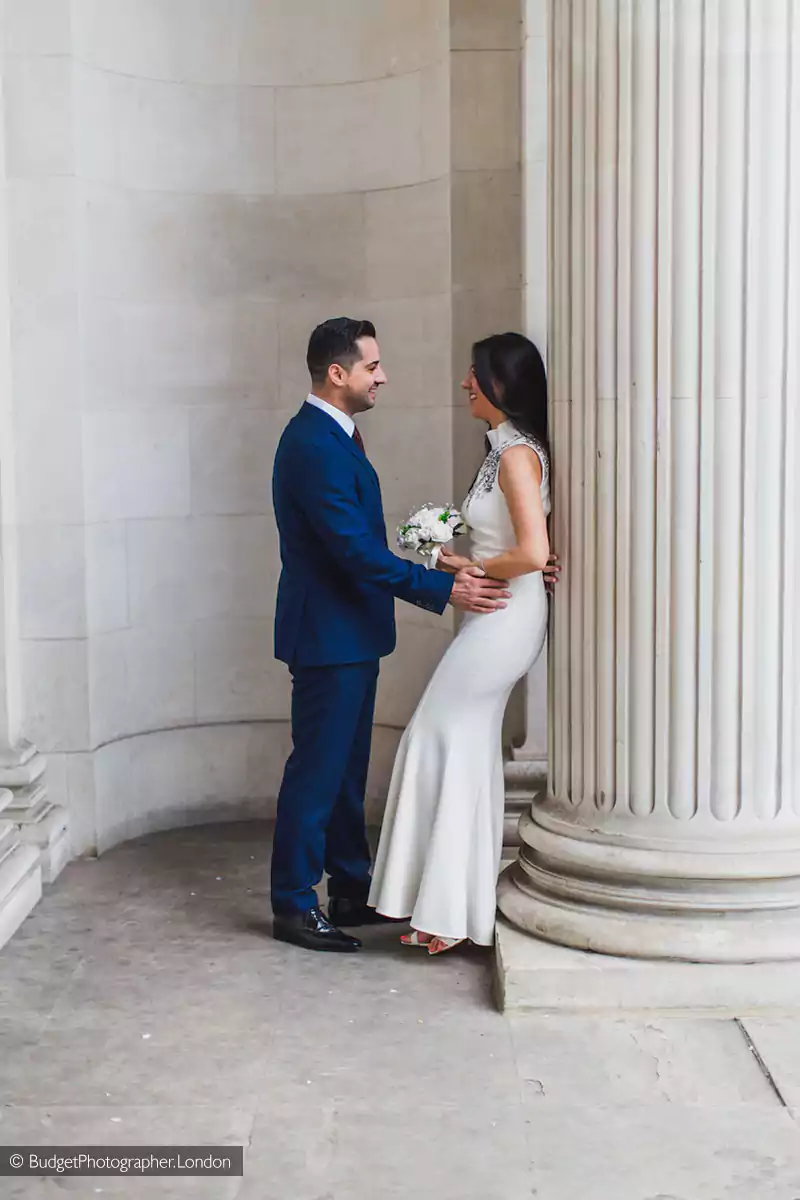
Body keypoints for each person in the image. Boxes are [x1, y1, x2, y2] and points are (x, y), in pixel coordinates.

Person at [270, 317, 513, 953]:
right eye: (372, 366)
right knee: (317, 774)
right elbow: (351, 550)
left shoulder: (335, 436)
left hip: (351, 631)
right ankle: (295, 906)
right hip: (327, 635)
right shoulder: (312, 444)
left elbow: (357, 546)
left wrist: (436, 564)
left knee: (347, 774)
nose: (383, 376)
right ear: (337, 373)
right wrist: (441, 588)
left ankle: (351, 887)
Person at [368, 332, 552, 954]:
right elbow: (513, 549)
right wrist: (453, 561)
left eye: (473, 374)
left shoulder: (516, 457)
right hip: (494, 610)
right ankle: (448, 910)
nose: (464, 384)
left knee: (436, 733)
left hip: (506, 617)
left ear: (499, 383)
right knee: (461, 743)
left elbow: (532, 553)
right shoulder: (500, 451)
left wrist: (475, 572)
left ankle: (445, 909)